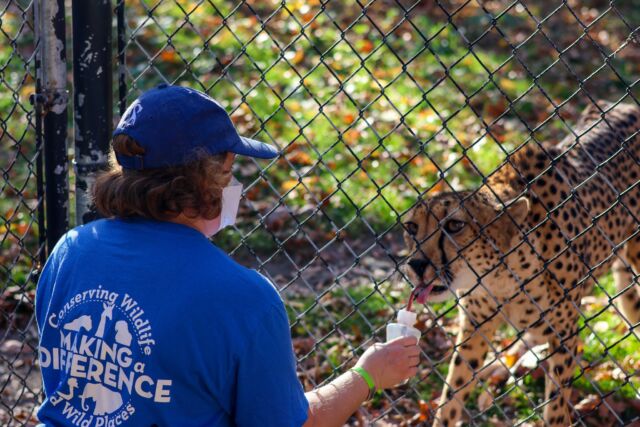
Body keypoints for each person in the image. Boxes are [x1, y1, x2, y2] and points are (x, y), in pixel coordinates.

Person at [35, 84, 420, 427]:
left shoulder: (71, 250)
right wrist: (367, 376)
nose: (234, 184)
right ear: (208, 176)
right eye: (231, 169)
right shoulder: (245, 299)